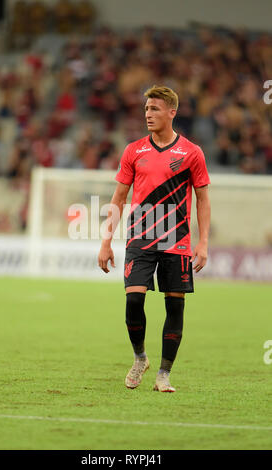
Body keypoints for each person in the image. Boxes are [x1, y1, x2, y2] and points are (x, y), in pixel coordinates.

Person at [98, 85, 211, 392]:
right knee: (134, 299)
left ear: (172, 112)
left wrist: (202, 243)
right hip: (140, 238)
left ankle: (164, 374)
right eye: (146, 109)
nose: (148, 114)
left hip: (177, 240)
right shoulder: (134, 151)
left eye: (155, 109)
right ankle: (140, 357)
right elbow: (119, 196)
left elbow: (202, 199)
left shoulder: (191, 153)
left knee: (175, 307)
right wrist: (106, 241)